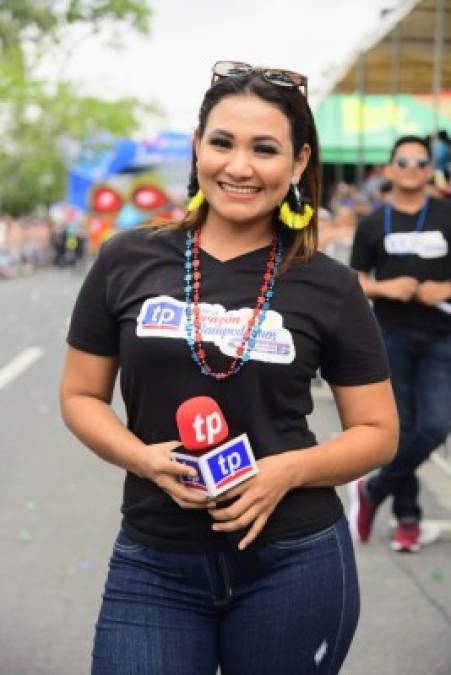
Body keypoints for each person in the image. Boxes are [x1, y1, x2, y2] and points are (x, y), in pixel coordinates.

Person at [60, 60, 398, 675]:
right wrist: (142, 458)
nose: (239, 167)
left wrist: (287, 471)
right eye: (222, 143)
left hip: (296, 561)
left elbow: (378, 432)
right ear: (197, 149)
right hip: (155, 562)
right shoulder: (126, 259)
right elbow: (81, 395)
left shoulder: (330, 285)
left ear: (297, 164)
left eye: (264, 149)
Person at [349, 135, 451, 553]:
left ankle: (373, 491)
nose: (411, 167)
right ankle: (407, 519)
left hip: (442, 337)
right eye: (403, 161)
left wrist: (442, 287)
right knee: (402, 429)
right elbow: (354, 283)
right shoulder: (373, 223)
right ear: (389, 170)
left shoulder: (447, 213)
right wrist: (385, 287)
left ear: (429, 169)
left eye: (420, 161)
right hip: (390, 334)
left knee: (435, 426)